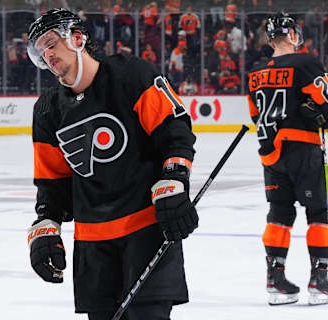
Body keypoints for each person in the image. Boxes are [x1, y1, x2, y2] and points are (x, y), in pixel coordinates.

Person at [25, 8, 198, 320]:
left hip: (145, 231)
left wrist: (174, 177)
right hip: (92, 244)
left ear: (77, 38)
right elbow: (52, 181)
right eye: (40, 51)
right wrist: (46, 223)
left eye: (51, 43)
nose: (47, 54)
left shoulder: (130, 74)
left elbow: (174, 131)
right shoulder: (47, 111)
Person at [247, 12, 328, 306]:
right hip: (303, 149)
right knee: (319, 212)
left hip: (270, 154)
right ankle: (319, 281)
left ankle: (275, 281)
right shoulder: (305, 63)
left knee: (279, 213)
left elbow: (256, 115)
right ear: (291, 35)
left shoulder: (255, 73)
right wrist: (317, 113)